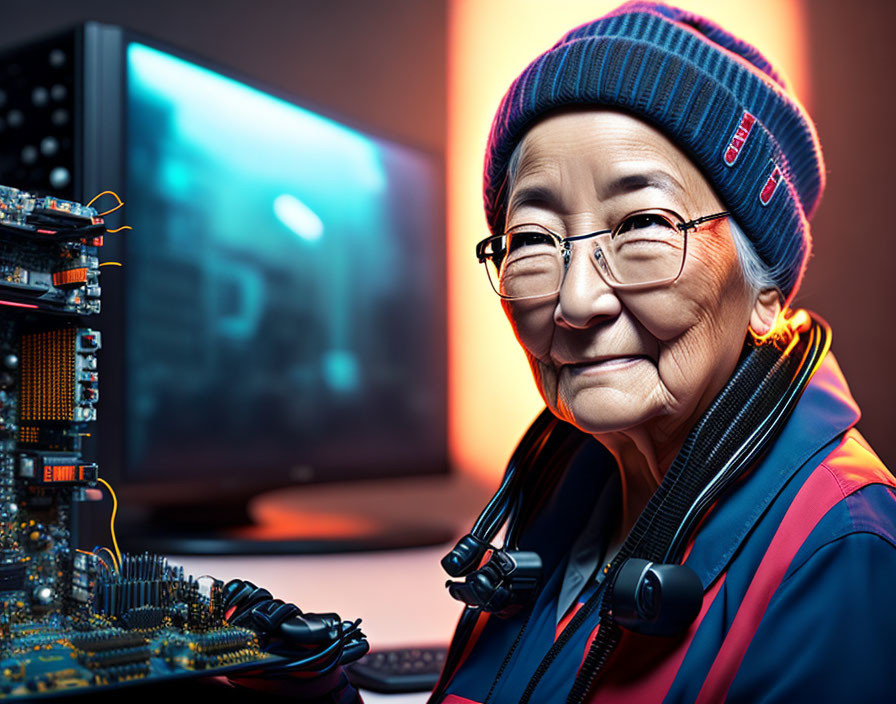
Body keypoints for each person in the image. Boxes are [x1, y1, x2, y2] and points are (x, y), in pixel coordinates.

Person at [428, 2, 896, 703]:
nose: (578, 300)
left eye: (643, 224)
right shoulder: (564, 483)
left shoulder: (839, 551)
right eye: (531, 240)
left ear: (764, 288)